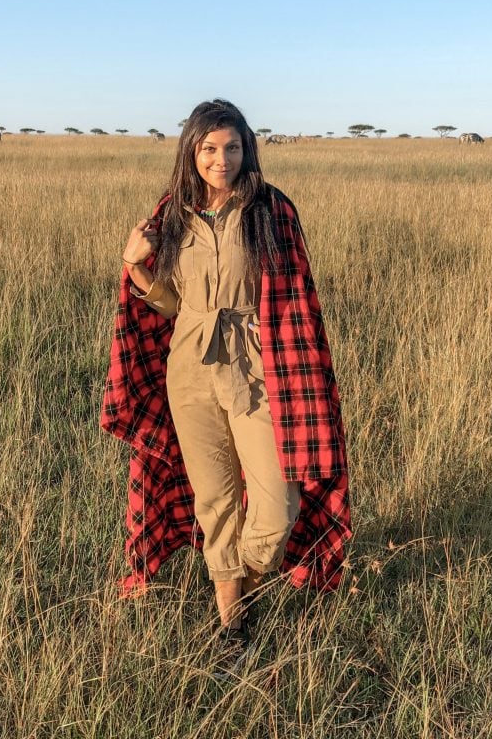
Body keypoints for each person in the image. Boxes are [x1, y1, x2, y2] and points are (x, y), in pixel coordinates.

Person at [101, 99, 350, 661]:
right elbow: (168, 305)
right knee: (214, 500)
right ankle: (231, 619)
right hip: (189, 370)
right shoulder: (172, 213)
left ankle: (251, 570)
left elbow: (294, 300)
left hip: (258, 367)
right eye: (209, 148)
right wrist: (136, 266)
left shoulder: (271, 210)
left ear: (247, 149)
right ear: (192, 150)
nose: (221, 159)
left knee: (276, 508)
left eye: (232, 147)